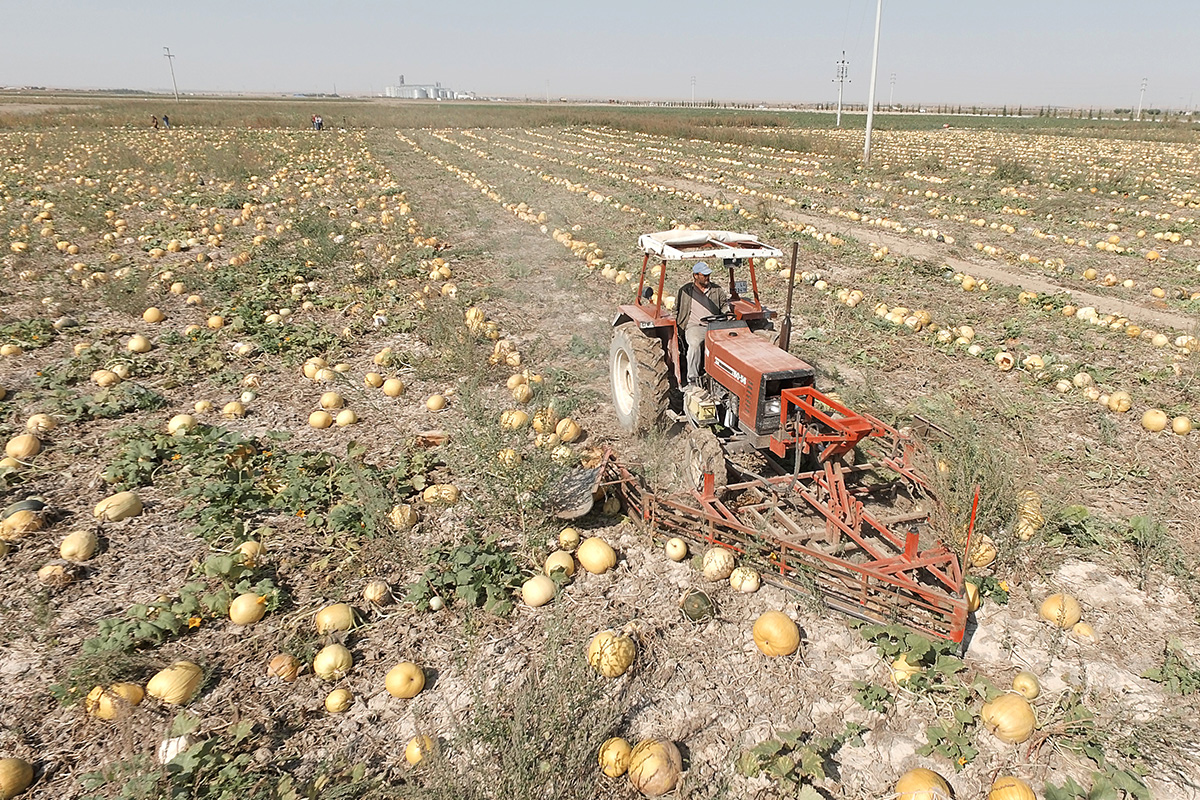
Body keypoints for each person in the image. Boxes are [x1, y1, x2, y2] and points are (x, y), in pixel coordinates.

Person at [675, 261, 728, 387]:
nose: (707, 277)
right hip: (695, 326)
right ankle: (692, 379)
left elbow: (724, 306)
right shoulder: (685, 291)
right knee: (694, 343)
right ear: (695, 276)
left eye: (708, 275)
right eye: (704, 275)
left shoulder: (716, 290)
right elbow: (676, 308)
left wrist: (727, 313)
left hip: (714, 325)